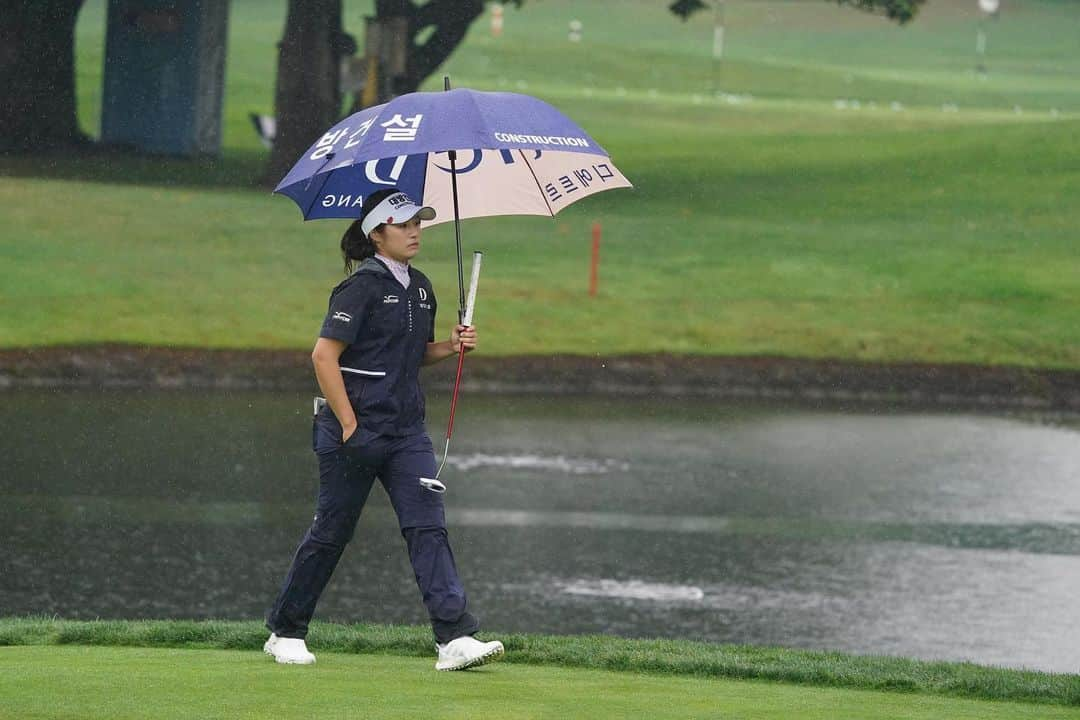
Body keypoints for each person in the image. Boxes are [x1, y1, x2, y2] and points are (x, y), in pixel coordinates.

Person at [263, 188, 504, 671]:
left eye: (419, 222)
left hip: (405, 432)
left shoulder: (421, 287)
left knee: (427, 527)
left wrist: (450, 346)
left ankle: (454, 638)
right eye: (404, 224)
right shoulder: (361, 286)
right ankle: (285, 631)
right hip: (353, 433)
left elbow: (410, 356)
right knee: (331, 533)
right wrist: (349, 424)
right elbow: (323, 356)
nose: (415, 230)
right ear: (377, 234)